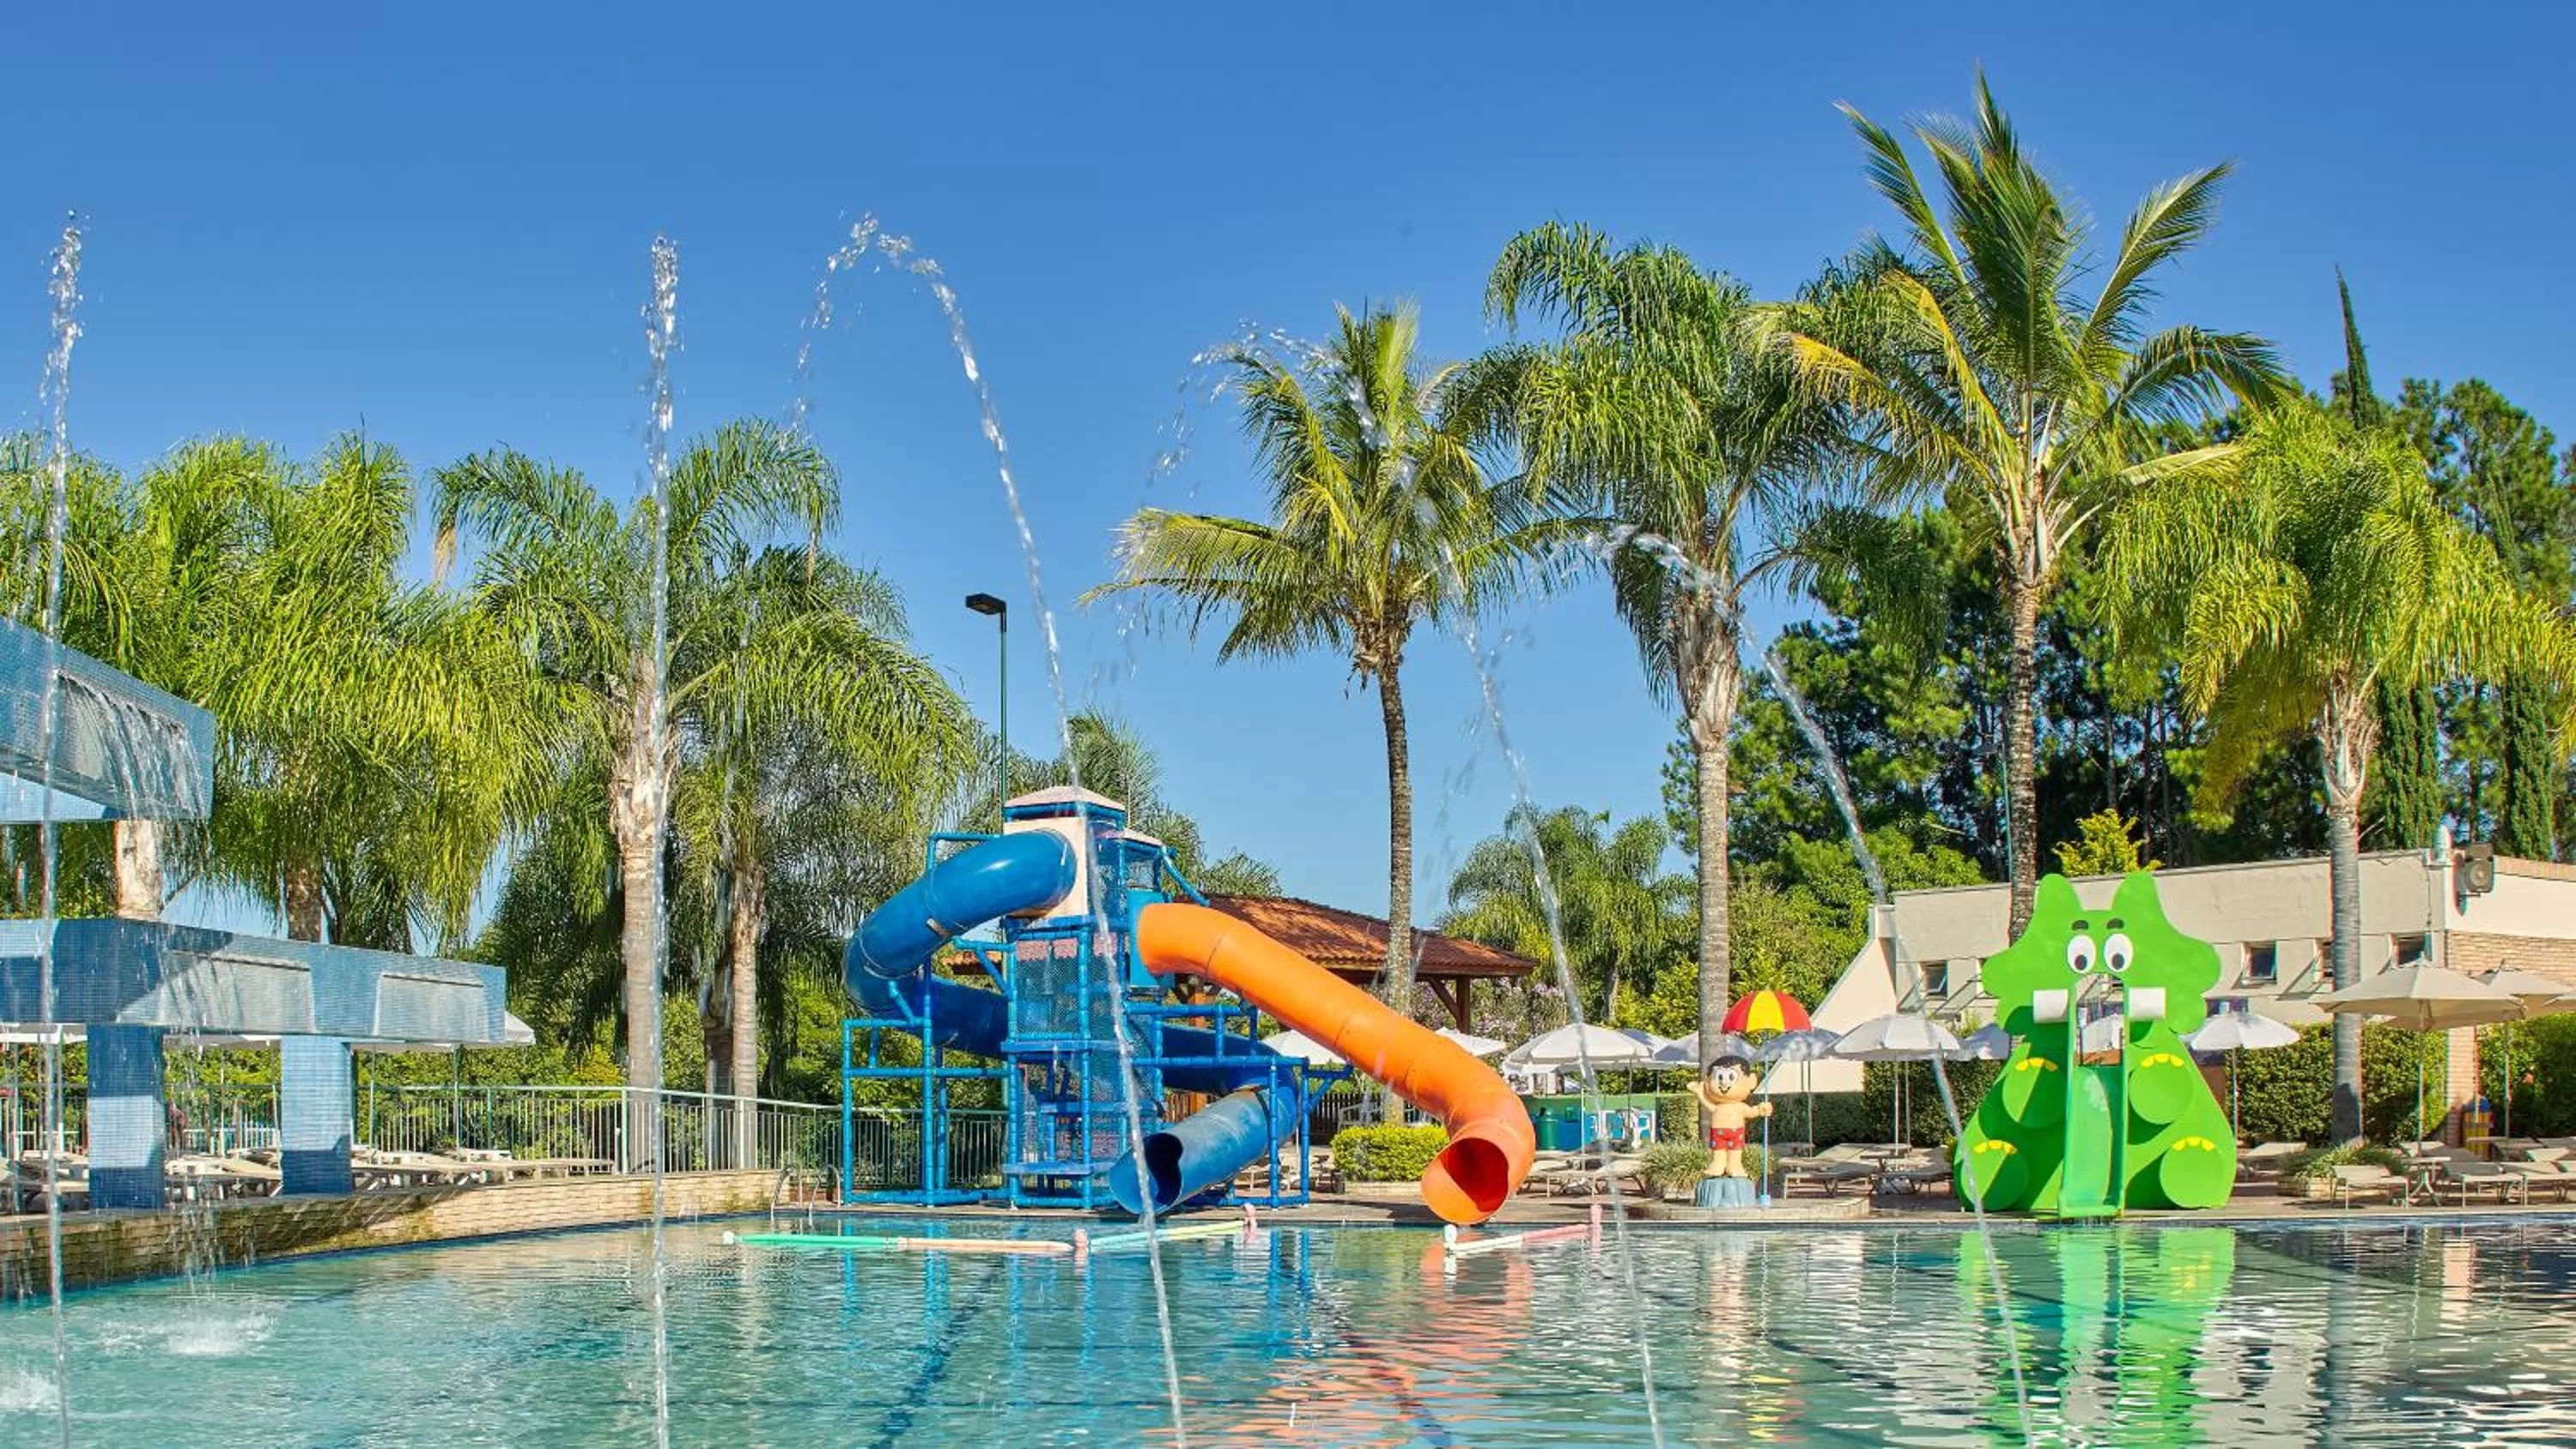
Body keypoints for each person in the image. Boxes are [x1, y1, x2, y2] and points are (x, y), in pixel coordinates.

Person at [1689, 1055, 1771, 1179]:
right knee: (1718, 1151)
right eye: (1719, 1077)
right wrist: (1700, 1093)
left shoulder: (1740, 1107)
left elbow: (1752, 1111)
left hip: (1736, 1132)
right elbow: (1708, 1104)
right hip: (1718, 1133)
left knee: (1735, 1152)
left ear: (1751, 1082)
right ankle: (1717, 1165)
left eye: (1731, 1077)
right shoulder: (1718, 1107)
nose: (1724, 1082)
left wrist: (1761, 1109)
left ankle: (1735, 1166)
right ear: (1707, 1082)